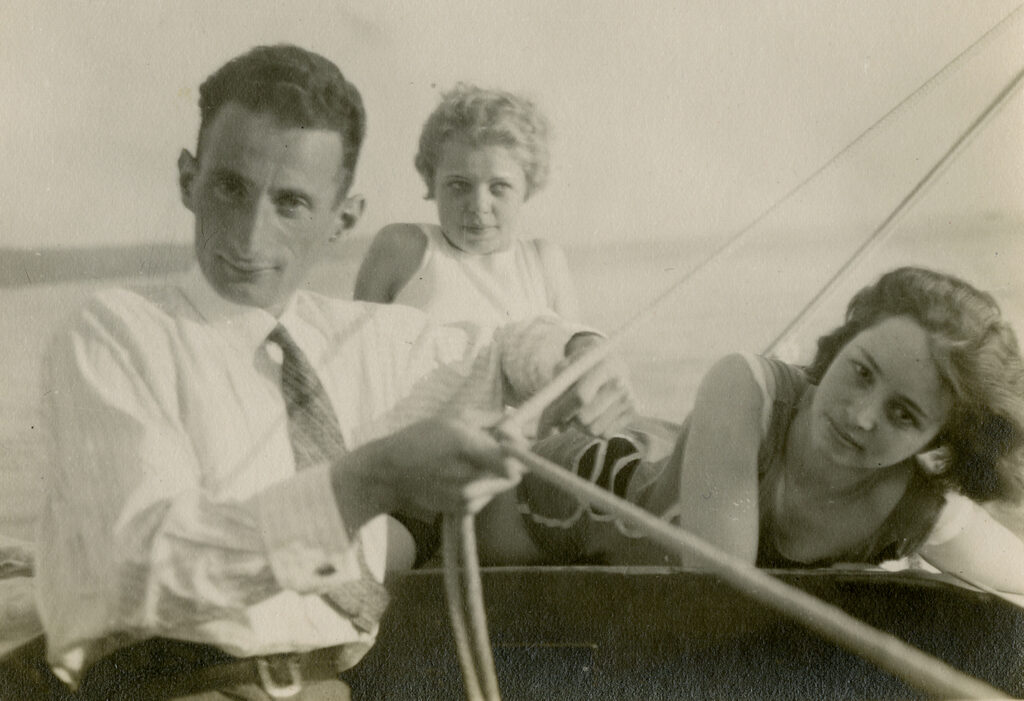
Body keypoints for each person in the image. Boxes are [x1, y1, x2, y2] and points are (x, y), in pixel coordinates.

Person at [34, 44, 633, 700]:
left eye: (290, 203)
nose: (251, 235)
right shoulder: (115, 334)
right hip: (173, 684)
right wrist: (362, 484)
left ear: (342, 218)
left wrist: (576, 353)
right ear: (188, 178)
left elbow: (498, 349)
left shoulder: (352, 340)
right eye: (231, 186)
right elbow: (141, 567)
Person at [491, 267, 1024, 594]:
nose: (862, 416)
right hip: (563, 502)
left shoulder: (920, 505)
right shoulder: (746, 386)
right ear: (842, 345)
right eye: (861, 371)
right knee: (423, 538)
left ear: (937, 442)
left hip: (660, 547)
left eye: (903, 414)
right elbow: (723, 597)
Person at [353, 83, 580, 326]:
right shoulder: (404, 249)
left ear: (528, 187)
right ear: (432, 181)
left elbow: (580, 355)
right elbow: (358, 353)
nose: (479, 205)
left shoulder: (543, 263)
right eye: (459, 185)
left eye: (499, 187)